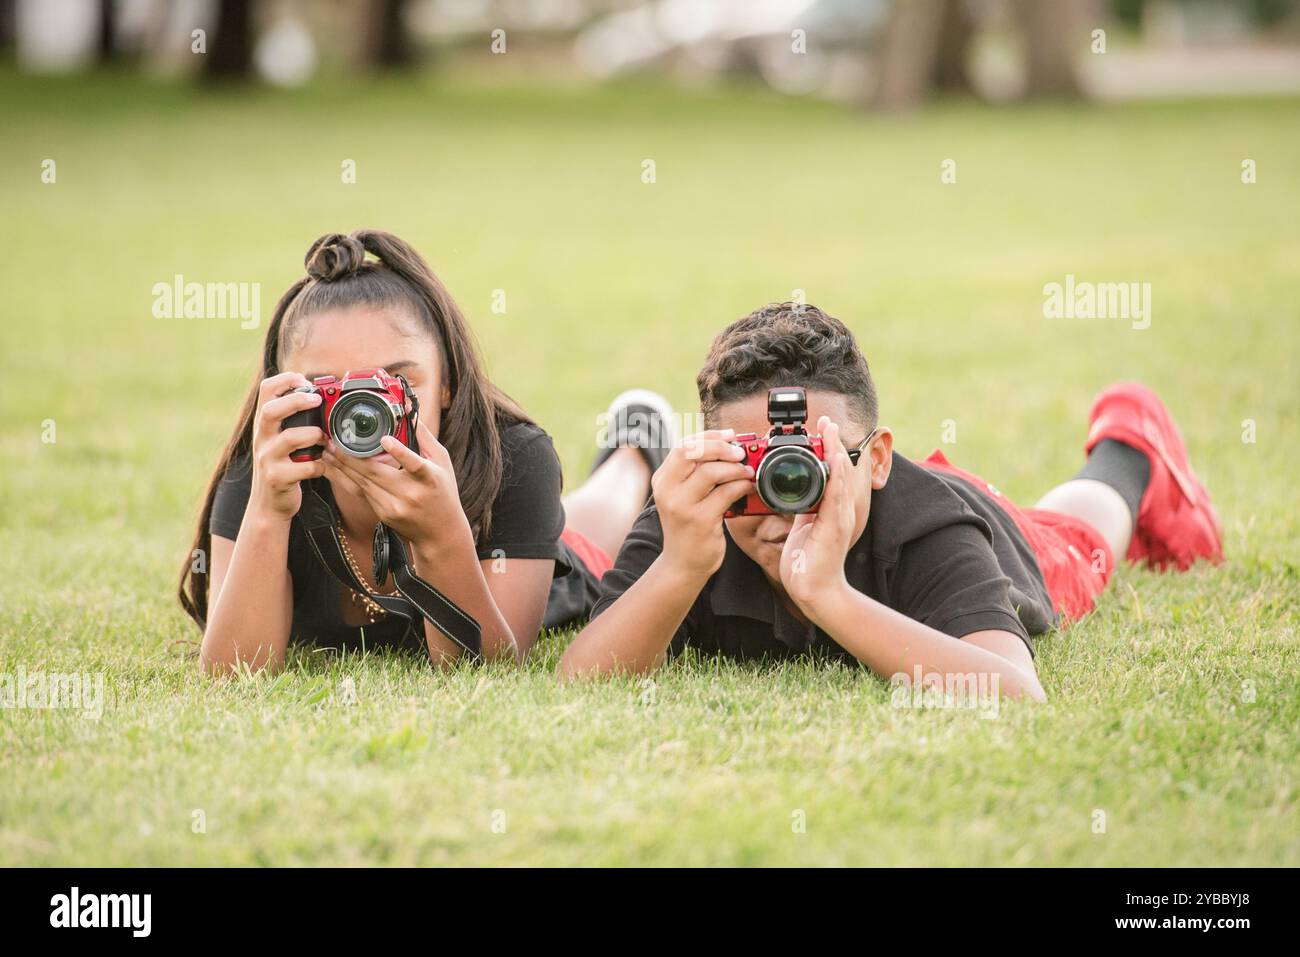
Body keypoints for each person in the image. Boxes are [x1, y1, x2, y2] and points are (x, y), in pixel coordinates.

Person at [558, 302, 1223, 699]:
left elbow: (1016, 693)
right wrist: (680, 566)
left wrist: (827, 593)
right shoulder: (699, 517)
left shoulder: (927, 526)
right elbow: (580, 681)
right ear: (710, 455)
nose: (784, 500)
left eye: (810, 465)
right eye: (756, 466)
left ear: (874, 458)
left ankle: (1132, 439)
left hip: (1005, 533)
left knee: (1077, 539)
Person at [178, 229, 674, 674]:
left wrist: (442, 535)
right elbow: (234, 674)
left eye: (393, 381)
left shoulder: (514, 459)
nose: (360, 410)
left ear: (447, 386)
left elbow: (487, 669)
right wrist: (268, 510)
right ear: (284, 392)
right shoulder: (268, 470)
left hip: (516, 571)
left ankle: (636, 441)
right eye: (328, 387)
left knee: (602, 509)